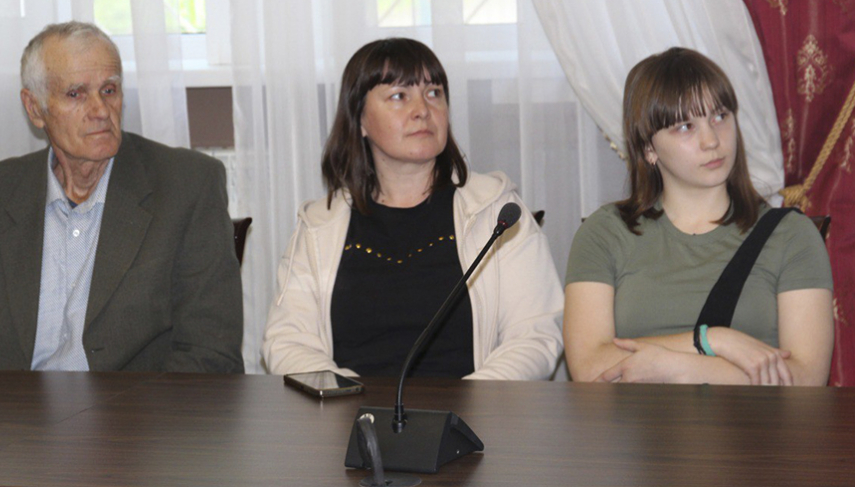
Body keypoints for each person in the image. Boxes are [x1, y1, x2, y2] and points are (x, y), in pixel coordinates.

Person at [0, 22, 243, 372]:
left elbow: (211, 357)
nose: (101, 110)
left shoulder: (187, 187)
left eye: (109, 90)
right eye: (76, 94)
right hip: (13, 406)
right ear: (34, 108)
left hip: (137, 406)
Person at [262, 38, 564, 380]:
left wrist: (474, 401)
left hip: (471, 408)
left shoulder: (495, 211)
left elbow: (535, 334)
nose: (423, 109)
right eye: (399, 96)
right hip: (350, 409)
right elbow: (287, 341)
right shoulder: (319, 226)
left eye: (434, 93)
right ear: (359, 120)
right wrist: (341, 399)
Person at [564, 47, 833, 385]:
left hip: (751, 421)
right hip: (637, 420)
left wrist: (677, 367)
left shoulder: (792, 235)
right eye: (685, 126)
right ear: (648, 149)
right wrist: (712, 340)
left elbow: (807, 380)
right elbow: (590, 367)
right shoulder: (604, 233)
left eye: (720, 116)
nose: (711, 140)